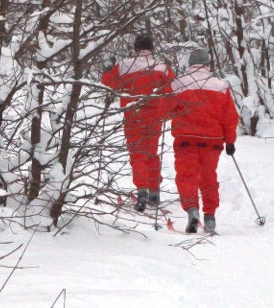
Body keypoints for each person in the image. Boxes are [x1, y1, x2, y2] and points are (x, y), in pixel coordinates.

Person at [164, 48, 239, 234]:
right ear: (207, 64)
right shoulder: (220, 86)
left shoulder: (178, 84)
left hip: (186, 139)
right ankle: (210, 216)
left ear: (190, 63)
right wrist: (230, 141)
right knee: (208, 178)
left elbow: (167, 109)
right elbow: (229, 117)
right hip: (212, 141)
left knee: (186, 176)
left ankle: (192, 210)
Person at [102, 35, 174, 212]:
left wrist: (107, 69)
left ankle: (142, 191)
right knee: (151, 153)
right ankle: (154, 192)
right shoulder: (161, 67)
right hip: (154, 116)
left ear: (135, 49)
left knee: (137, 154)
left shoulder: (125, 66)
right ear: (152, 48)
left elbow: (108, 83)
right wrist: (166, 113)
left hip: (133, 115)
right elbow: (172, 88)